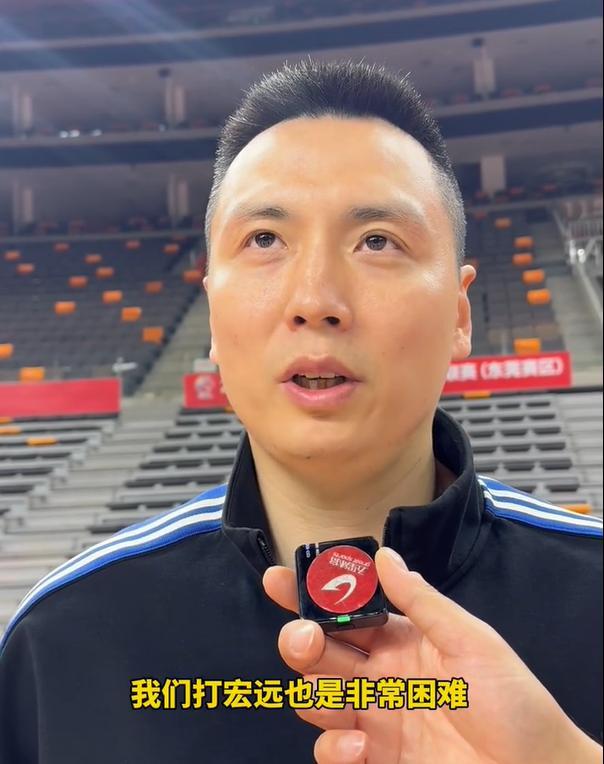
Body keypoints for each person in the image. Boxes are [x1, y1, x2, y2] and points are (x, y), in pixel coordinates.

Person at [0, 60, 601, 764]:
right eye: (264, 240)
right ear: (213, 317)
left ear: (460, 315)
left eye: (377, 241)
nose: (315, 299)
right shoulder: (63, 640)